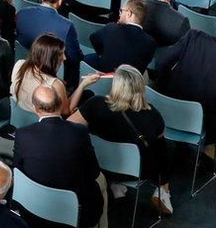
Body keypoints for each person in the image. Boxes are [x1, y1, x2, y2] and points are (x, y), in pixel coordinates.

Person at [69, 65, 173, 216]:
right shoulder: (152, 115)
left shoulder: (95, 104)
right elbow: (158, 136)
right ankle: (163, 189)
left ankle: (115, 185)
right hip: (135, 171)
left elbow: (70, 126)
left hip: (98, 166)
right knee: (161, 146)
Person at [154, 8, 216, 161]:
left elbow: (162, 62)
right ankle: (210, 155)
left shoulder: (194, 36)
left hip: (166, 105)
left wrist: (163, 88)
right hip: (203, 122)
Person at [11, 82, 109, 228]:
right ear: (60, 103)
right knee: (101, 180)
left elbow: (17, 170)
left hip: (33, 212)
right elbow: (93, 171)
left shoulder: (23, 134)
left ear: (36, 109)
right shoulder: (79, 132)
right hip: (75, 215)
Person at [89, 0, 158, 72]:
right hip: (130, 82)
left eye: (121, 11)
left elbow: (93, 38)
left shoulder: (111, 28)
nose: (119, 14)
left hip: (102, 79)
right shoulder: (151, 43)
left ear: (129, 14)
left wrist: (103, 54)